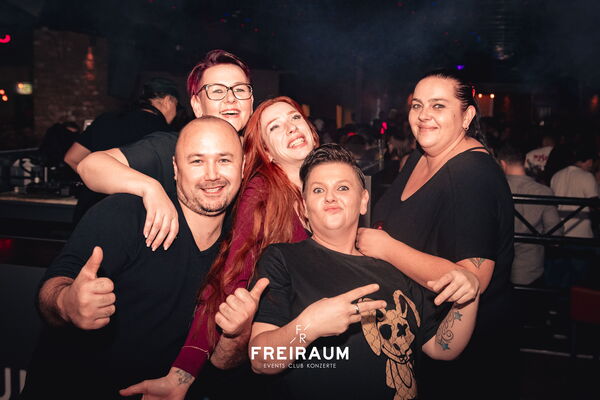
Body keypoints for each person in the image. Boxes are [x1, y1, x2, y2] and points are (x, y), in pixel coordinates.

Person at [19, 117, 259, 400]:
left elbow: (222, 363)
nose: (212, 174)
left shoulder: (239, 248)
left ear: (243, 166)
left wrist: (238, 335)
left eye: (224, 160)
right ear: (175, 168)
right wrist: (67, 302)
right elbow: (50, 291)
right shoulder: (127, 214)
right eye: (197, 161)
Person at [120, 96, 319, 399]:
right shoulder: (261, 192)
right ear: (266, 151)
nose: (291, 128)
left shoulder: (327, 188)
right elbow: (231, 275)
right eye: (275, 127)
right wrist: (182, 373)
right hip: (273, 353)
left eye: (294, 118)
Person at [249, 144, 480, 399]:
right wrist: (309, 326)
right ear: (303, 207)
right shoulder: (283, 259)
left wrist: (467, 297)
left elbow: (442, 348)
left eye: (343, 188)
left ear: (363, 201)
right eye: (318, 190)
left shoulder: (393, 268)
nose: (330, 197)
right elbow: (260, 361)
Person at [356, 69, 515, 399]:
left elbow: (473, 279)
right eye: (417, 105)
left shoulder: (472, 175)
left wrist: (386, 249)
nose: (423, 115)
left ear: (467, 116)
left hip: (461, 359)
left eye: (438, 106)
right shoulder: (421, 156)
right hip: (414, 331)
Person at [77, 50, 253, 251]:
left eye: (240, 89)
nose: (231, 99)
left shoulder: (262, 155)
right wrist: (150, 189)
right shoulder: (173, 147)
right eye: (217, 90)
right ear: (197, 105)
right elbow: (89, 166)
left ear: (251, 101)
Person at [65, 77, 179, 223]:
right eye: (176, 106)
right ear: (168, 101)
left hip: (89, 213)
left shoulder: (106, 119)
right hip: (131, 219)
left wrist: (98, 179)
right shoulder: (164, 134)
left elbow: (71, 158)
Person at [498, 143, 562, 286]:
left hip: (499, 270)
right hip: (531, 269)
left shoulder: (495, 188)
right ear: (525, 162)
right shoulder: (543, 192)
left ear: (502, 164)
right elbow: (555, 236)